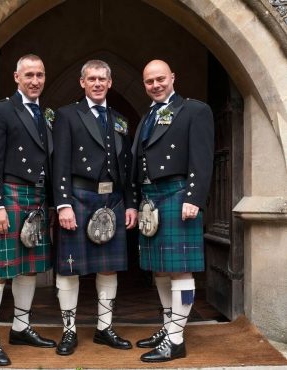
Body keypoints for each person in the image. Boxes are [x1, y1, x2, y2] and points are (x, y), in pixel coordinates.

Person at [52, 59, 138, 356]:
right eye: (92, 79)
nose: (98, 83)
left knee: (109, 267)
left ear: (110, 83)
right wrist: (63, 204)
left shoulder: (119, 119)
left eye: (102, 79)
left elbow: (125, 167)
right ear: (82, 83)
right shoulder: (67, 115)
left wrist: (129, 203)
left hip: (112, 200)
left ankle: (104, 328)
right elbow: (59, 162)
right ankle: (69, 330)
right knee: (70, 268)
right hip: (78, 197)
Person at [131, 59, 214, 362]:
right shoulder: (148, 116)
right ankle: (168, 327)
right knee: (161, 268)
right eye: (149, 81)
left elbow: (202, 158)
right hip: (152, 198)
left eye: (160, 79)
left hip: (179, 195)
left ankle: (176, 339)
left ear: (173, 77)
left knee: (180, 268)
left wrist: (194, 197)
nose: (155, 85)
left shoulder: (194, 110)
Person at [0, 54, 56, 366]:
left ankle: (21, 328)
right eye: (29, 75)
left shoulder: (45, 115)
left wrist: (49, 201)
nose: (35, 80)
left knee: (29, 267)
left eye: (39, 74)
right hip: (9, 196)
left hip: (36, 197)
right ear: (16, 77)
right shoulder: (0, 110)